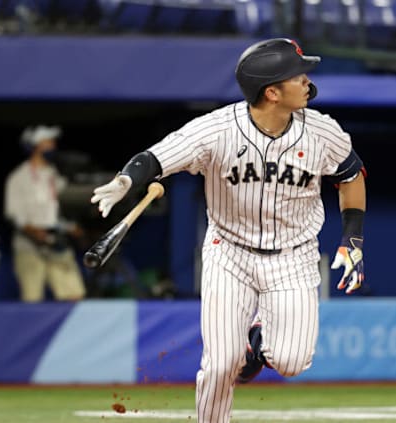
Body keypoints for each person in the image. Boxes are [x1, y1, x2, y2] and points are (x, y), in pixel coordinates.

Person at [90, 38, 366, 423]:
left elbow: (352, 177)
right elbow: (154, 158)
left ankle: (257, 345)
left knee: (291, 361)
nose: (306, 80)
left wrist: (352, 238)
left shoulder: (323, 132)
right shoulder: (216, 130)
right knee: (221, 364)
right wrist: (124, 182)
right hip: (229, 253)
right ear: (272, 92)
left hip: (294, 256)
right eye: (296, 74)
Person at [4, 125, 86, 302]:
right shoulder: (18, 177)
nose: (53, 146)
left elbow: (58, 211)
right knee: (32, 300)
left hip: (57, 243)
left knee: (74, 297)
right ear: (35, 146)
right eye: (48, 142)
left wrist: (70, 228)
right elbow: (15, 215)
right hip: (29, 246)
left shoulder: (55, 175)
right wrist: (36, 233)